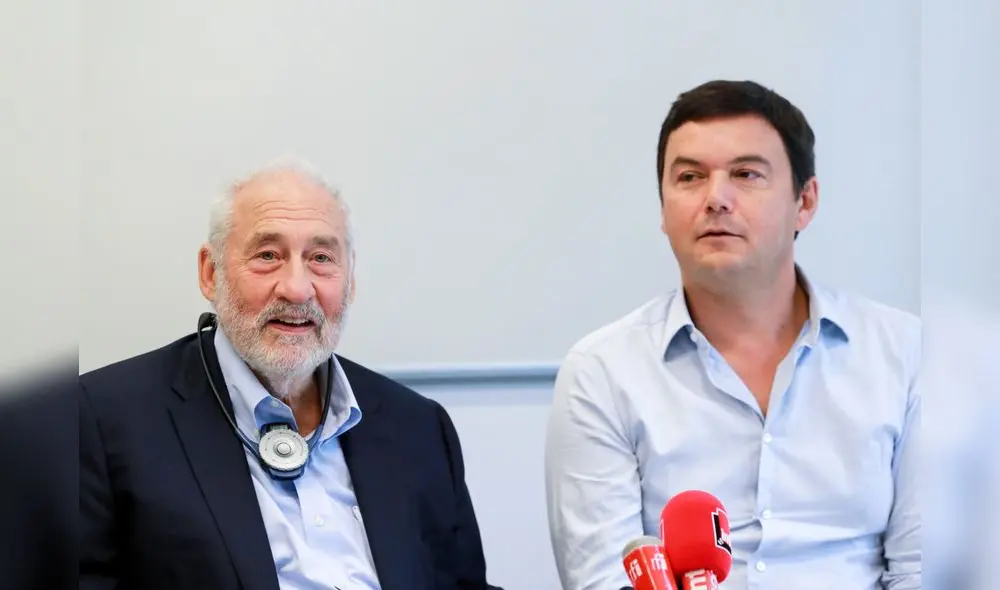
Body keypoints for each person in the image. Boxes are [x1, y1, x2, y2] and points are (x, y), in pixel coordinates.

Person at [544, 80, 919, 589]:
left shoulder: (905, 353)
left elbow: (926, 568)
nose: (716, 199)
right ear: (663, 208)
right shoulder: (603, 371)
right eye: (690, 177)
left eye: (746, 174)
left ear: (804, 202)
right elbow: (604, 579)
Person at [79, 159, 502, 590]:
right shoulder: (101, 422)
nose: (297, 289)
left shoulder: (419, 428)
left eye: (321, 258)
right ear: (211, 273)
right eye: (267, 256)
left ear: (350, 278)